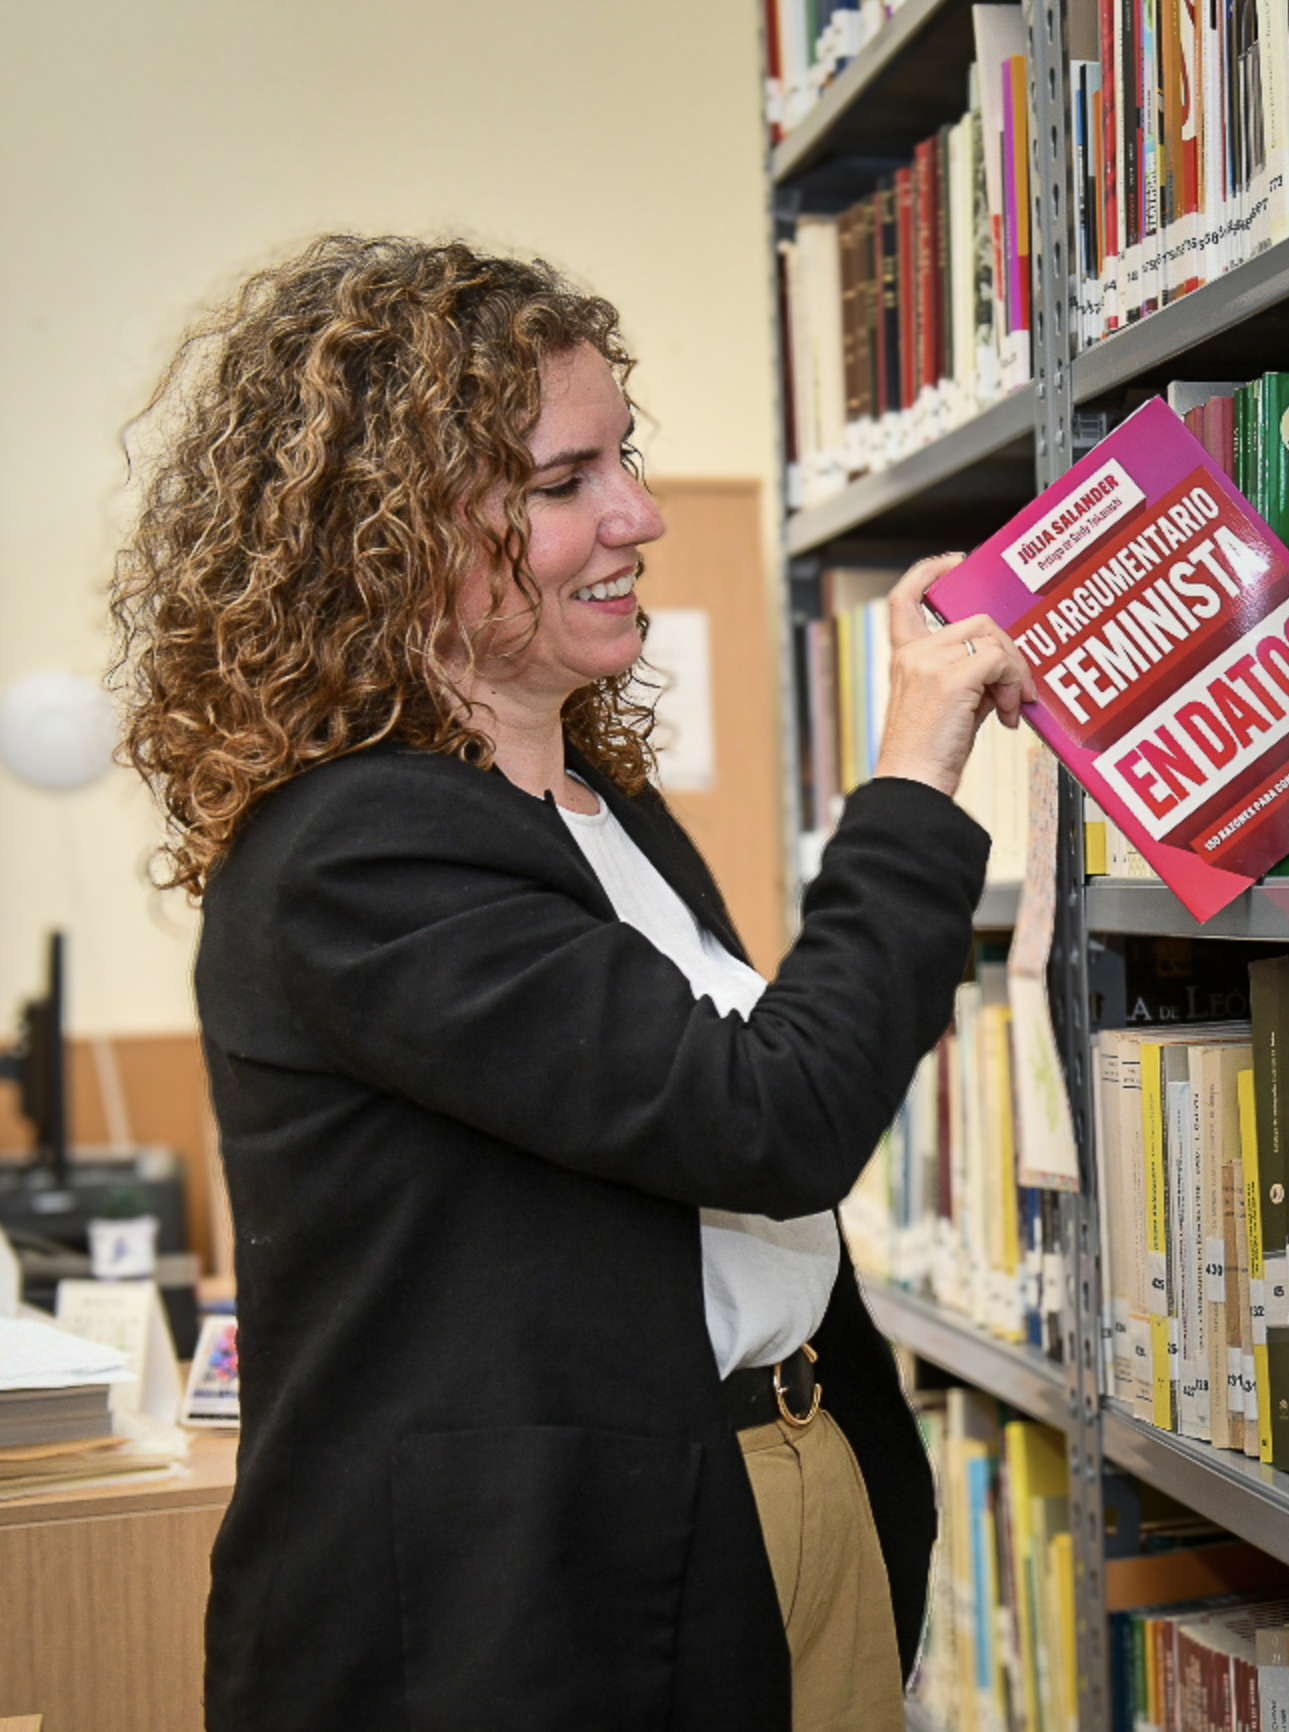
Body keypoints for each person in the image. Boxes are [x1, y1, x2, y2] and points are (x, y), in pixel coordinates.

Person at [109, 235, 1034, 1732]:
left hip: (766, 1490)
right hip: (526, 1608)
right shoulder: (360, 851)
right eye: (563, 482)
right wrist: (915, 775)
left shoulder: (606, 812)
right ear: (391, 537)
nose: (638, 517)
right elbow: (770, 1117)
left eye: (626, 459)